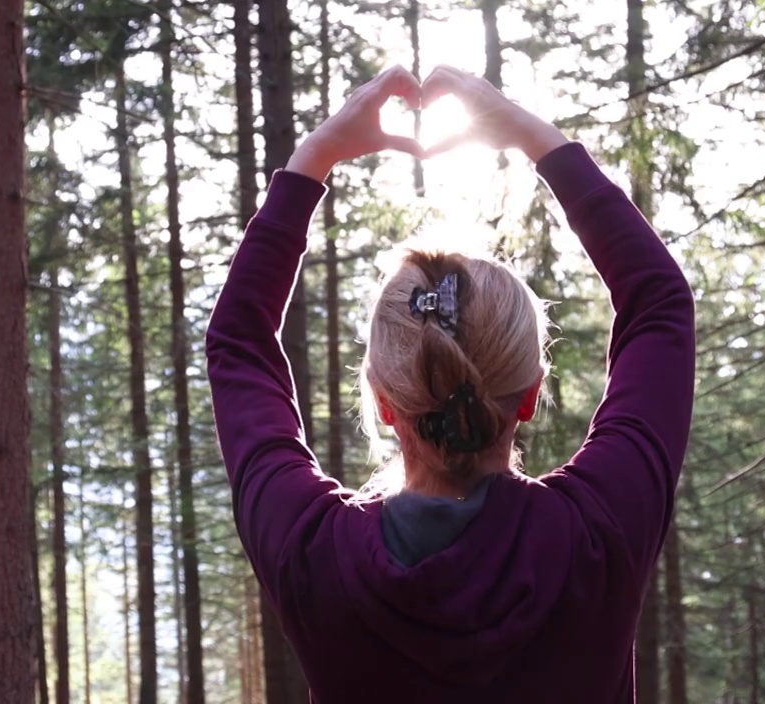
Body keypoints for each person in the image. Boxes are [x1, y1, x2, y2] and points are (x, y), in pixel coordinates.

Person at [206, 64, 696, 702]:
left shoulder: (314, 556)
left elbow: (238, 343)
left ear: (384, 404)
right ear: (529, 394)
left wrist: (313, 159)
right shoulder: (596, 535)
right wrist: (528, 134)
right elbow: (659, 304)